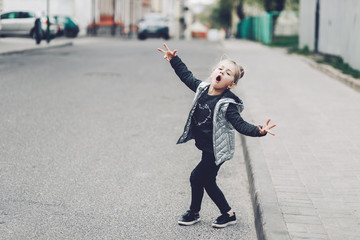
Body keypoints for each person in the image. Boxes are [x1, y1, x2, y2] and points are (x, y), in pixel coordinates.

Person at [157, 44, 276, 228]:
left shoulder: (227, 104)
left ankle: (203, 213)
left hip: (216, 149)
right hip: (206, 147)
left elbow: (240, 125)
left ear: (231, 83)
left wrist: (259, 130)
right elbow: (186, 76)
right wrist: (174, 60)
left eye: (228, 73)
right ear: (214, 72)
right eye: (220, 69)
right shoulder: (202, 89)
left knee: (198, 177)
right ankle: (221, 213)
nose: (222, 72)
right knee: (207, 181)